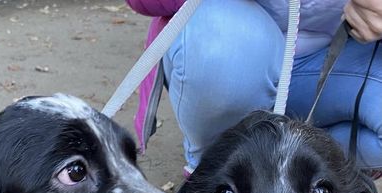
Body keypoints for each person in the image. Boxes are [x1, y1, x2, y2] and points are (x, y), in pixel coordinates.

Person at [126, 0, 382, 179]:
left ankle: (306, 164)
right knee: (222, 49)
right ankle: (218, 168)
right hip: (231, 50)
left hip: (340, 60)